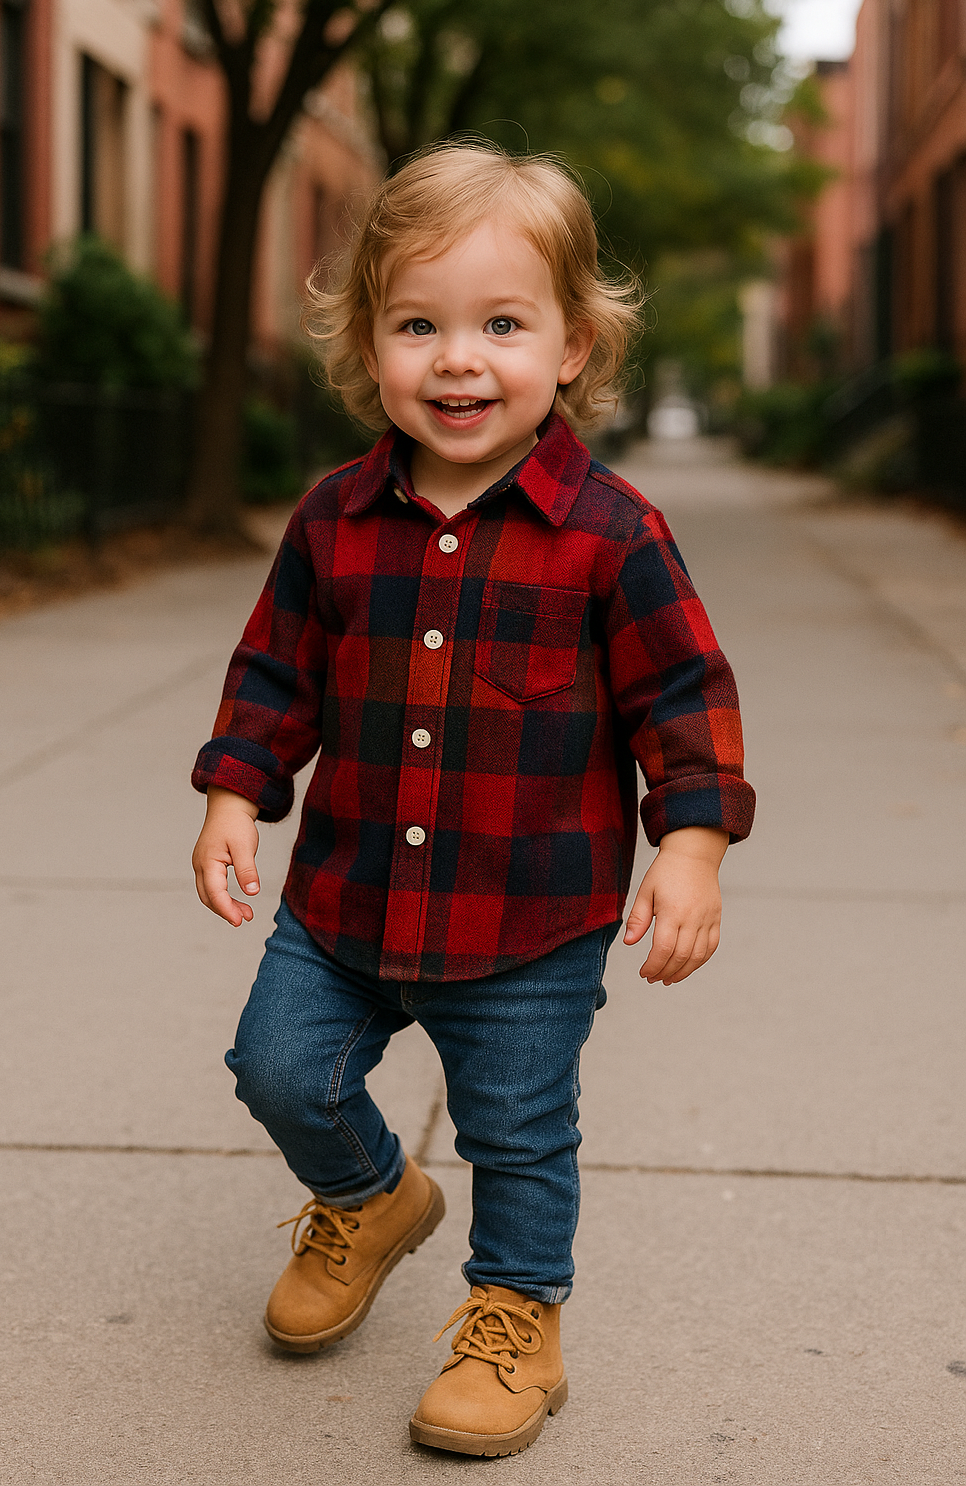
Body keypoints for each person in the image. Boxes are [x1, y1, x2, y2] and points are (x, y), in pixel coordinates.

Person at [191, 141, 754, 1458]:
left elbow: (684, 697)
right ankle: (371, 1198)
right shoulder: (333, 519)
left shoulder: (612, 533)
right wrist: (235, 794)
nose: (459, 360)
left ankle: (516, 1319)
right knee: (278, 1069)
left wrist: (691, 846)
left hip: (530, 916)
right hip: (346, 896)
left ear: (571, 346)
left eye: (503, 324)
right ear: (367, 343)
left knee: (517, 1132)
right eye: (419, 325)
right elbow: (275, 671)